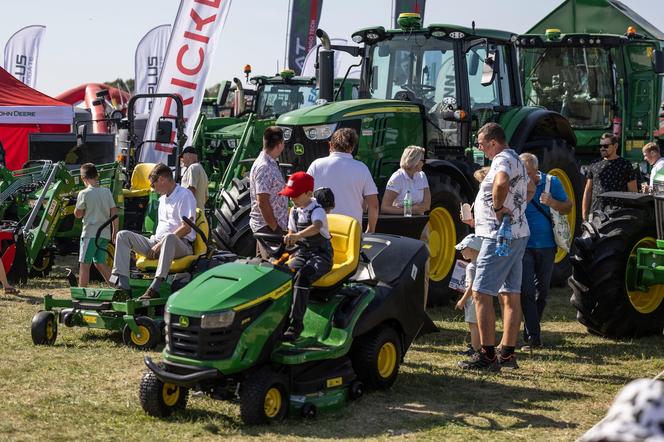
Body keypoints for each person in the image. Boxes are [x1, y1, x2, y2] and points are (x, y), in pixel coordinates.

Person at [458, 122, 535, 372]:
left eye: (481, 144)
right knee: (510, 294)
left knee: (481, 292)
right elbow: (531, 187)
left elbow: (500, 183)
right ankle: (507, 354)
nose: (480, 148)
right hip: (517, 233)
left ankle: (487, 356)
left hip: (499, 236)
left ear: (493, 142)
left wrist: (499, 210)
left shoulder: (502, 160)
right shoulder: (517, 159)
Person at [110, 163, 196, 299]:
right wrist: (156, 244)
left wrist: (159, 245)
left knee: (169, 237)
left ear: (162, 179)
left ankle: (155, 288)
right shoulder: (162, 200)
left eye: (153, 185)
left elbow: (187, 228)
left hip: (180, 245)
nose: (153, 189)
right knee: (123, 235)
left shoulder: (185, 195)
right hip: (157, 243)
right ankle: (123, 286)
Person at [519, 153, 572, 351]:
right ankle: (534, 337)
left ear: (536, 170)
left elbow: (568, 207)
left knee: (542, 293)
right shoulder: (518, 183)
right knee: (526, 291)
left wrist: (552, 203)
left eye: (529, 173)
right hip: (524, 245)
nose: (526, 178)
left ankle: (531, 328)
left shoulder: (552, 182)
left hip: (548, 246)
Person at [279, 172, 333, 341]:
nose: (292, 198)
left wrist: (296, 236)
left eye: (295, 195)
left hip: (321, 256)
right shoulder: (294, 211)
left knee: (303, 276)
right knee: (282, 274)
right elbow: (291, 233)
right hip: (301, 252)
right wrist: (288, 240)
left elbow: (316, 227)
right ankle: (280, 320)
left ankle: (296, 324)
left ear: (309, 194)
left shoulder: (317, 211)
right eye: (290, 195)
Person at [307, 128, 379, 233]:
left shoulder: (316, 165)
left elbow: (304, 196)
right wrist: (370, 231)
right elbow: (374, 205)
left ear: (330, 145)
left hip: (320, 229)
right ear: (352, 147)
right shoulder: (362, 168)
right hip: (351, 232)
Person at [74, 163, 119, 287]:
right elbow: (114, 212)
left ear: (84, 178)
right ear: (97, 176)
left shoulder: (83, 193)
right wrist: (115, 231)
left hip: (90, 233)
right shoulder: (106, 192)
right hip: (104, 234)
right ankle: (117, 286)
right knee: (100, 263)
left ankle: (81, 292)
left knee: (84, 264)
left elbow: (78, 214)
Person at [249, 127, 289, 259]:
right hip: (268, 228)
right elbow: (262, 201)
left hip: (268, 226)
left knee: (261, 267)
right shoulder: (264, 167)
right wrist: (274, 228)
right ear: (280, 144)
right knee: (272, 268)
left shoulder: (269, 163)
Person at [582, 133, 637, 220]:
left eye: (606, 146)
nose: (602, 149)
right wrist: (584, 215)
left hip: (618, 214)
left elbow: (633, 192)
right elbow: (588, 191)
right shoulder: (594, 164)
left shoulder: (625, 165)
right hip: (596, 214)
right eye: (600, 146)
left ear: (615, 146)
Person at [454, 234, 482, 358]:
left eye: (463, 248)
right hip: (481, 298)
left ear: (471, 249)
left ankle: (475, 349)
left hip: (472, 300)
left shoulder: (471, 267)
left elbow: (471, 287)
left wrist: (462, 300)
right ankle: (478, 346)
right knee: (478, 323)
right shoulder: (481, 264)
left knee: (473, 324)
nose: (461, 251)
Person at [381, 146, 431, 215]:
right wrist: (409, 210)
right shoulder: (397, 177)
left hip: (419, 220)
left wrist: (415, 209)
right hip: (401, 221)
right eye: (423, 160)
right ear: (414, 161)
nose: (424, 163)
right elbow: (384, 208)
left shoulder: (422, 175)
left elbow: (427, 205)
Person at [180, 146, 209, 211]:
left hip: (191, 211)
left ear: (187, 156)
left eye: (183, 157)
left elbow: (191, 189)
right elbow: (206, 196)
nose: (183, 161)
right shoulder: (202, 170)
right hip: (199, 212)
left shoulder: (193, 168)